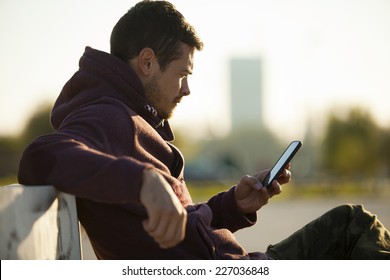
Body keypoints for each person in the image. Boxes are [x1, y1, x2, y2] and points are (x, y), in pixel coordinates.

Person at [18, 0, 389, 260]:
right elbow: (40, 156)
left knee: (349, 222)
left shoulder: (130, 119)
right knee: (352, 225)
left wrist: (231, 205)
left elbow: (184, 231)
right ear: (147, 62)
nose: (186, 89)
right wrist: (144, 181)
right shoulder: (105, 116)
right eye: (182, 75)